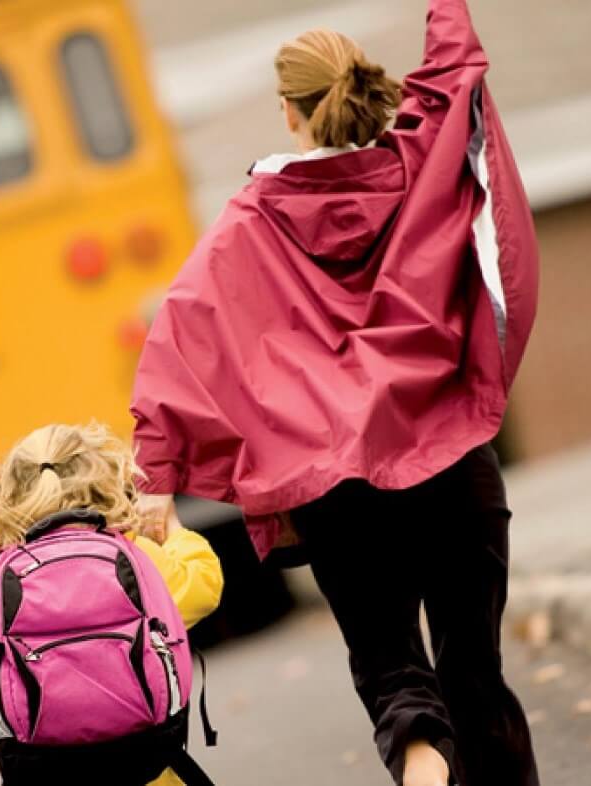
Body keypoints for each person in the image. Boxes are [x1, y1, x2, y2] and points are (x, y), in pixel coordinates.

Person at [129, 1, 540, 784]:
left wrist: (156, 475)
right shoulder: (422, 166)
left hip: (342, 495)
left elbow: (181, 338)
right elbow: (455, 76)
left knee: (399, 687)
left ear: (288, 110)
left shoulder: (253, 221)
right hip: (453, 464)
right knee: (477, 682)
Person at [0, 423, 224, 786]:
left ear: (8, 497)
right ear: (105, 483)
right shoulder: (139, 562)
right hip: (148, 770)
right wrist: (170, 528)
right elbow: (204, 581)